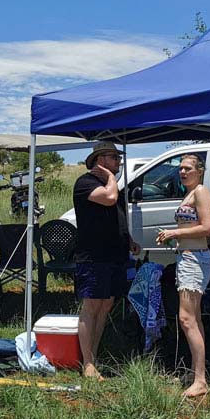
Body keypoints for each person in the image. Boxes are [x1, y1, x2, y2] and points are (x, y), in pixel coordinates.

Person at [72, 141, 140, 380]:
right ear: (101, 160)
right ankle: (87, 364)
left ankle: (93, 355)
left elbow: (116, 216)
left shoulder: (111, 186)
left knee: (106, 306)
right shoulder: (86, 183)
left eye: (119, 158)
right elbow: (109, 199)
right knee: (91, 307)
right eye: (115, 158)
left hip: (115, 255)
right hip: (94, 257)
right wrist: (111, 177)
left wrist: (128, 239)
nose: (119, 162)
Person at [155, 154, 210, 398]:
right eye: (180, 168)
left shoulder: (201, 191)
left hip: (195, 259)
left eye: (188, 168)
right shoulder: (189, 194)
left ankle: (200, 380)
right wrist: (173, 237)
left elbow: (208, 228)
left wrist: (174, 233)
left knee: (186, 319)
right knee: (194, 319)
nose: (182, 172)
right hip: (187, 257)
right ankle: (195, 372)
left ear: (199, 171)